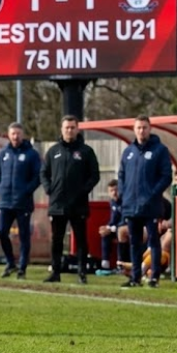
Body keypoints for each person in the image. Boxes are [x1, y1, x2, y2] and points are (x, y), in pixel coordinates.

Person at [41, 116, 100, 284]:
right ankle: (55, 272)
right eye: (67, 127)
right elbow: (44, 172)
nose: (69, 130)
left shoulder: (86, 151)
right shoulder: (53, 151)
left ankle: (82, 272)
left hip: (78, 204)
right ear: (61, 129)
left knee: (81, 239)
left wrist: (83, 190)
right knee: (57, 239)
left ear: (77, 129)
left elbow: (94, 175)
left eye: (73, 127)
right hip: (57, 203)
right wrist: (48, 188)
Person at [118, 115, 172, 288]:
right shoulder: (129, 151)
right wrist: (123, 192)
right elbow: (121, 175)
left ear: (150, 129)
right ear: (134, 130)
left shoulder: (159, 150)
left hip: (151, 205)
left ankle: (154, 277)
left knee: (153, 241)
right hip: (131, 205)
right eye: (138, 128)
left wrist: (152, 194)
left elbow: (166, 176)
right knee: (134, 242)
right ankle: (136, 277)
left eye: (144, 127)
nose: (141, 131)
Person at [0, 123, 41, 279]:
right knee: (1, 232)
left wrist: (27, 191)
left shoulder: (31, 154)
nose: (16, 136)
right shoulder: (3, 154)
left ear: (22, 135)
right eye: (13, 133)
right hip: (5, 201)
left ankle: (22, 267)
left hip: (23, 202)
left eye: (18, 134)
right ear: (8, 135)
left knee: (24, 236)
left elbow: (38, 176)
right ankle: (10, 263)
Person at [96, 179, 130, 274]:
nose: (114, 193)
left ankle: (121, 264)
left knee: (120, 233)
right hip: (118, 228)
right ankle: (105, 264)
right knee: (105, 234)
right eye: (111, 191)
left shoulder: (125, 201)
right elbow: (113, 219)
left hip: (128, 228)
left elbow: (125, 220)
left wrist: (111, 229)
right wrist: (107, 227)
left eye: (116, 190)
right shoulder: (112, 202)